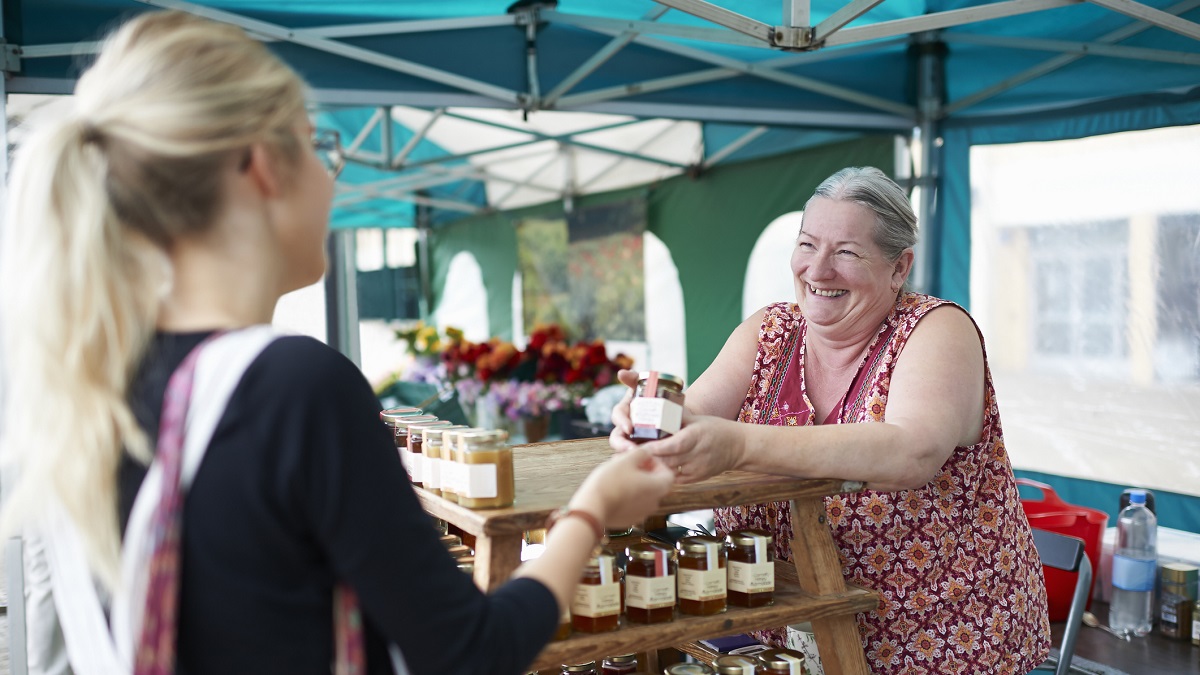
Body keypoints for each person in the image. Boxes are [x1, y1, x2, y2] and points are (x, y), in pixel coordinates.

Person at [0, 11, 676, 675]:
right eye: (320, 147)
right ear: (262, 164)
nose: (333, 178)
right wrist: (593, 509)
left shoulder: (99, 384)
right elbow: (470, 651)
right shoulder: (295, 386)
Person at [611, 167, 1050, 673]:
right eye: (807, 244)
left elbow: (912, 452)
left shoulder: (936, 329)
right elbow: (694, 414)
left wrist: (738, 444)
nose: (818, 270)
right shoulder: (771, 331)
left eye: (846, 252)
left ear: (899, 266)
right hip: (797, 635)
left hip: (941, 639)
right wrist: (648, 417)